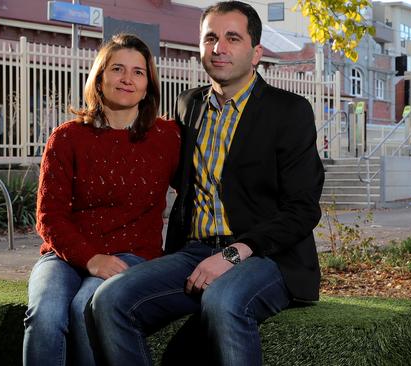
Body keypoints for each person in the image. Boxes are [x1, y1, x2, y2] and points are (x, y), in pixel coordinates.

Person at [89, 2, 325, 365]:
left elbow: (303, 208)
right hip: (194, 252)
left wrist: (234, 253)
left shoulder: (289, 111)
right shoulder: (189, 106)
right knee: (109, 301)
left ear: (256, 52)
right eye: (211, 38)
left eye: (233, 37)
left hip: (266, 256)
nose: (219, 48)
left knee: (222, 300)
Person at [23, 33, 181, 366]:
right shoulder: (67, 137)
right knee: (45, 315)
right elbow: (48, 216)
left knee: (85, 308)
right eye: (117, 69)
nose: (127, 79)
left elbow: (201, 187)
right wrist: (91, 258)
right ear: (99, 77)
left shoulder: (167, 138)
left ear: (149, 85)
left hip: (134, 254)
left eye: (138, 72)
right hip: (63, 256)